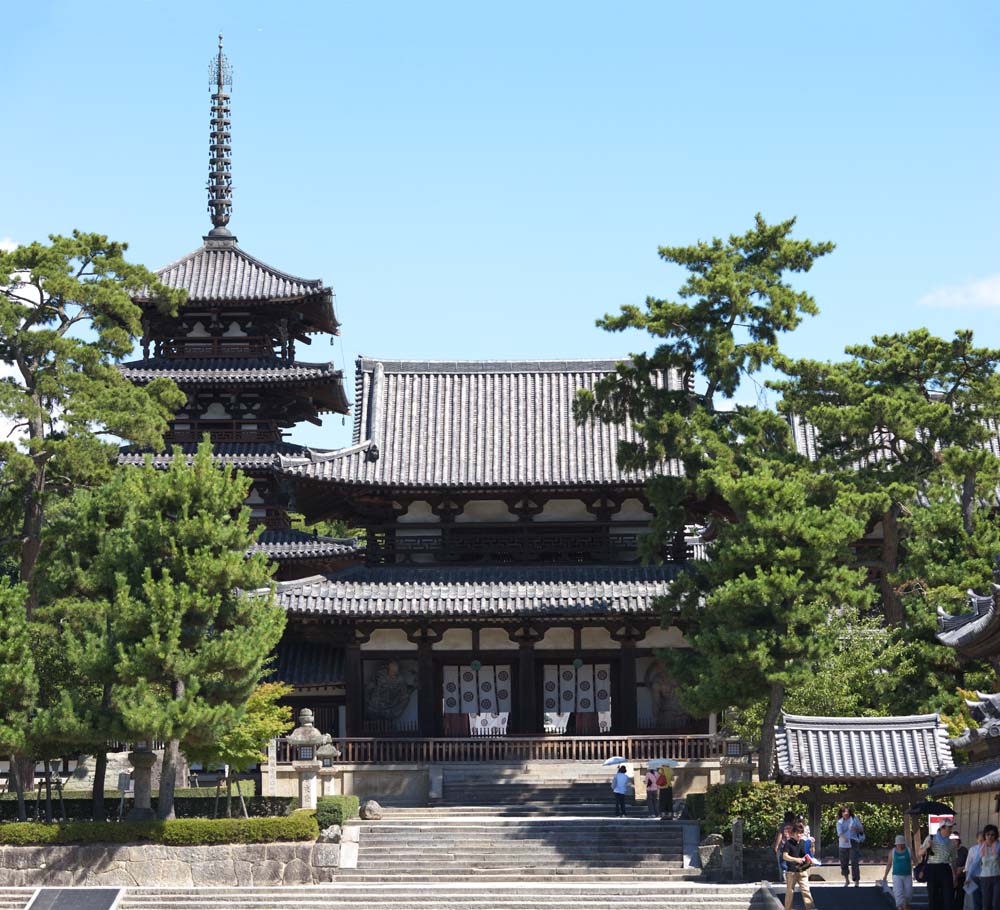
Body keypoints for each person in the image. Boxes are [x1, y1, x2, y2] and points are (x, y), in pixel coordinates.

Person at [921, 818, 959, 910]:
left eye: (951, 827)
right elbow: (920, 853)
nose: (950, 830)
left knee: (948, 897)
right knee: (933, 896)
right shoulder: (931, 838)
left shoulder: (952, 843)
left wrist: (955, 876)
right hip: (932, 868)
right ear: (942, 828)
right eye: (949, 827)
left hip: (945, 868)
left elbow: (953, 860)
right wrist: (927, 847)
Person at [781, 822, 816, 910]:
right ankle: (788, 908)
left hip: (802, 871)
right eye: (798, 833)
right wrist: (796, 859)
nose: (799, 835)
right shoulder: (788, 843)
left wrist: (812, 845)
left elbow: (810, 854)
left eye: (801, 833)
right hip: (791, 872)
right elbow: (785, 856)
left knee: (806, 891)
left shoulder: (803, 842)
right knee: (790, 892)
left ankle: (810, 908)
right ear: (793, 833)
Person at [881, 834, 914, 910]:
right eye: (897, 845)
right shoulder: (892, 852)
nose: (899, 846)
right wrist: (885, 875)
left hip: (907, 875)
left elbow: (915, 861)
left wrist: (917, 872)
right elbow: (889, 864)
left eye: (900, 844)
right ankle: (899, 906)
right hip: (897, 875)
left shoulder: (909, 851)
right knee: (898, 892)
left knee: (908, 893)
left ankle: (906, 904)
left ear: (903, 844)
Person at [837, 805, 863, 887]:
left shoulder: (854, 819)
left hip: (853, 841)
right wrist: (844, 838)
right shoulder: (839, 822)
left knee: (854, 861)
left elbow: (861, 829)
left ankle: (856, 881)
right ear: (841, 813)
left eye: (847, 812)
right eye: (844, 812)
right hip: (843, 843)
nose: (846, 813)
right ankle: (846, 880)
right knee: (844, 862)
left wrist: (856, 829)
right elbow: (839, 833)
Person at [977, 824, 1000, 910]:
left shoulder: (999, 846)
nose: (990, 837)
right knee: (986, 904)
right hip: (984, 877)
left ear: (996, 836)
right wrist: (968, 877)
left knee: (996, 903)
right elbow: (975, 863)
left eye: (992, 834)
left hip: (997, 876)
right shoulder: (980, 847)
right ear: (984, 835)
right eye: (987, 834)